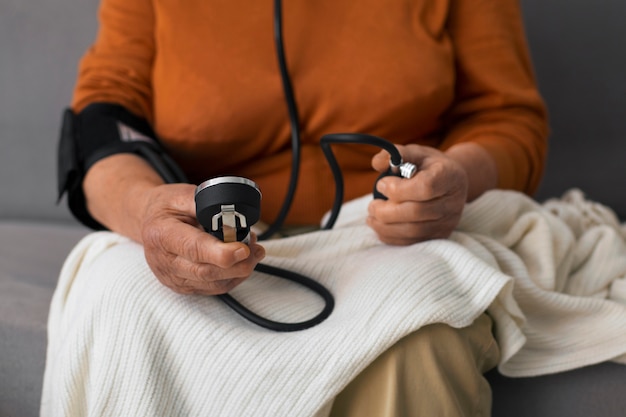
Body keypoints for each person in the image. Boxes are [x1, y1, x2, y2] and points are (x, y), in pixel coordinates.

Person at [44, 0, 548, 415]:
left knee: (417, 336)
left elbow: (505, 116)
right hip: (211, 222)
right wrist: (146, 208)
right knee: (124, 305)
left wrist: (455, 178)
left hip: (393, 225)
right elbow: (104, 118)